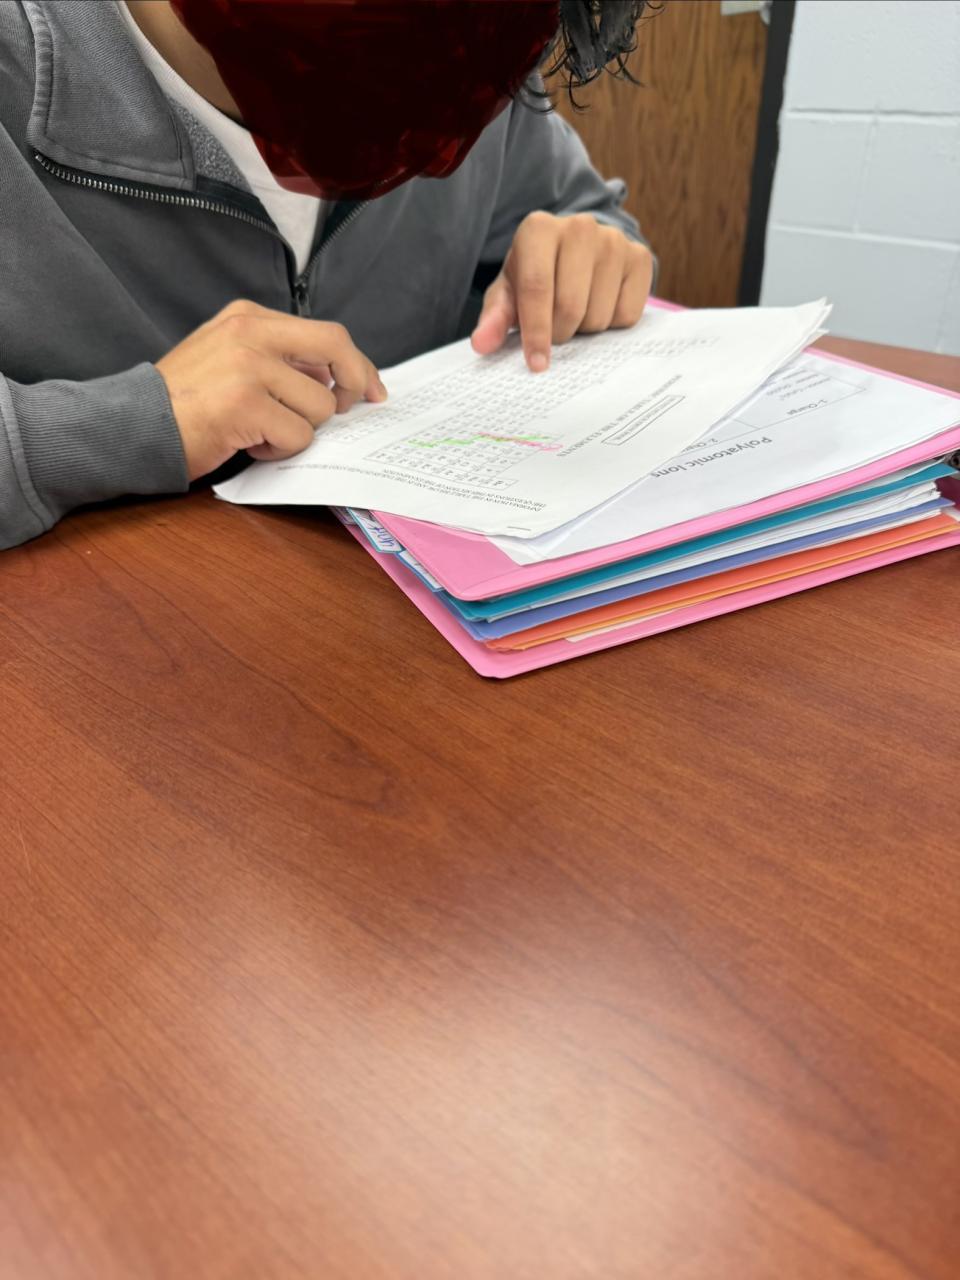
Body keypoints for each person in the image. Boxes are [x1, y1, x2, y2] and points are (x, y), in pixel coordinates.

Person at [0, 0, 655, 550]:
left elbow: (581, 213)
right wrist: (143, 420)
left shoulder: (468, 36)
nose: (442, 162)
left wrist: (590, 255)